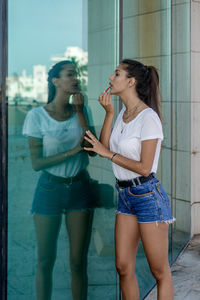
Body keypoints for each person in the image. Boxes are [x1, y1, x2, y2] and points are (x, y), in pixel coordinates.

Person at [83, 59, 175, 300]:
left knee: (159, 271)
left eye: (117, 74)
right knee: (123, 267)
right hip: (125, 196)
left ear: (131, 81)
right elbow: (104, 148)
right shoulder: (123, 112)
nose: (110, 79)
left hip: (147, 196)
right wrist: (110, 113)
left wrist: (109, 153)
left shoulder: (149, 118)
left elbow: (145, 168)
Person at [23, 60, 95, 300]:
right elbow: (36, 163)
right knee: (45, 260)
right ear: (55, 81)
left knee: (78, 262)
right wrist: (70, 152)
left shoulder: (82, 110)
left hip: (79, 188)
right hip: (49, 189)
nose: (76, 79)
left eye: (77, 74)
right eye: (70, 74)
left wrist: (79, 112)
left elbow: (93, 151)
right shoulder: (36, 116)